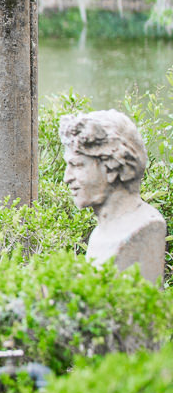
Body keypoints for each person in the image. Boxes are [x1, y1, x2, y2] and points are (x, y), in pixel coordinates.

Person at [60, 109, 166, 285]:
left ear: (112, 166)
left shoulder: (145, 227)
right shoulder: (99, 234)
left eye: (77, 165)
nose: (67, 178)